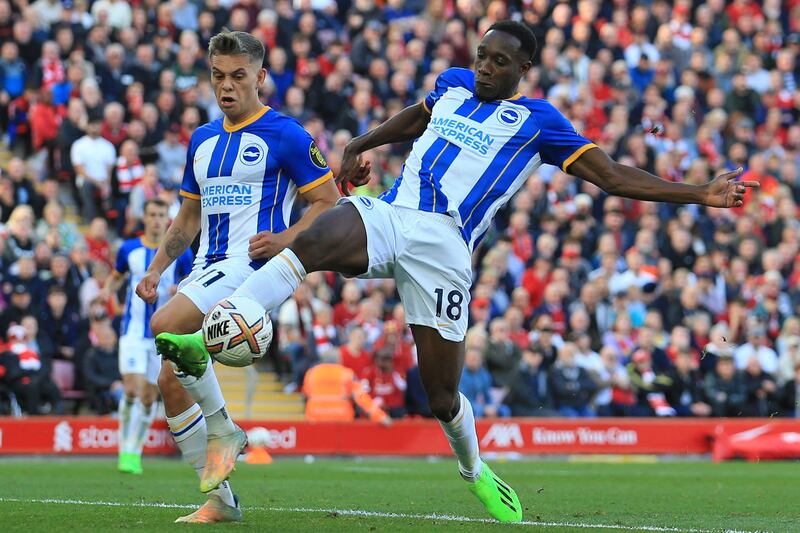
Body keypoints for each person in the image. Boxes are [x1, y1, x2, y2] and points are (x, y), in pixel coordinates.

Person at [159, 21, 758, 523]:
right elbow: (413, 119)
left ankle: (475, 468)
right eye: (481, 57)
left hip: (446, 249)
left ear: (523, 69)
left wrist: (699, 194)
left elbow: (614, 176)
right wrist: (358, 145)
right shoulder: (450, 87)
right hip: (396, 215)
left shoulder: (538, 121)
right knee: (325, 230)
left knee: (441, 395)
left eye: (500, 62)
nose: (485, 69)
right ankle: (239, 318)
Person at [135, 31, 342, 524]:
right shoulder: (203, 140)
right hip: (206, 266)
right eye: (218, 76)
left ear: (260, 77)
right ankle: (220, 500)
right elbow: (187, 219)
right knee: (169, 378)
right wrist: (156, 268)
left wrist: (288, 237)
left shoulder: (286, 134)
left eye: (238, 76)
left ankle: (225, 429)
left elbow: (328, 202)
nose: (226, 86)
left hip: (252, 266)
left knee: (165, 325)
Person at [104, 199, 193, 475]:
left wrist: (180, 289)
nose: (156, 219)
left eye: (161, 215)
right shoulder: (129, 250)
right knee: (131, 389)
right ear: (144, 217)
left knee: (148, 397)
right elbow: (116, 278)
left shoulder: (181, 253)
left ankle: (135, 452)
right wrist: (105, 299)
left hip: (161, 335)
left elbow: (190, 283)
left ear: (168, 218)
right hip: (132, 332)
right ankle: (124, 450)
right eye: (152, 214)